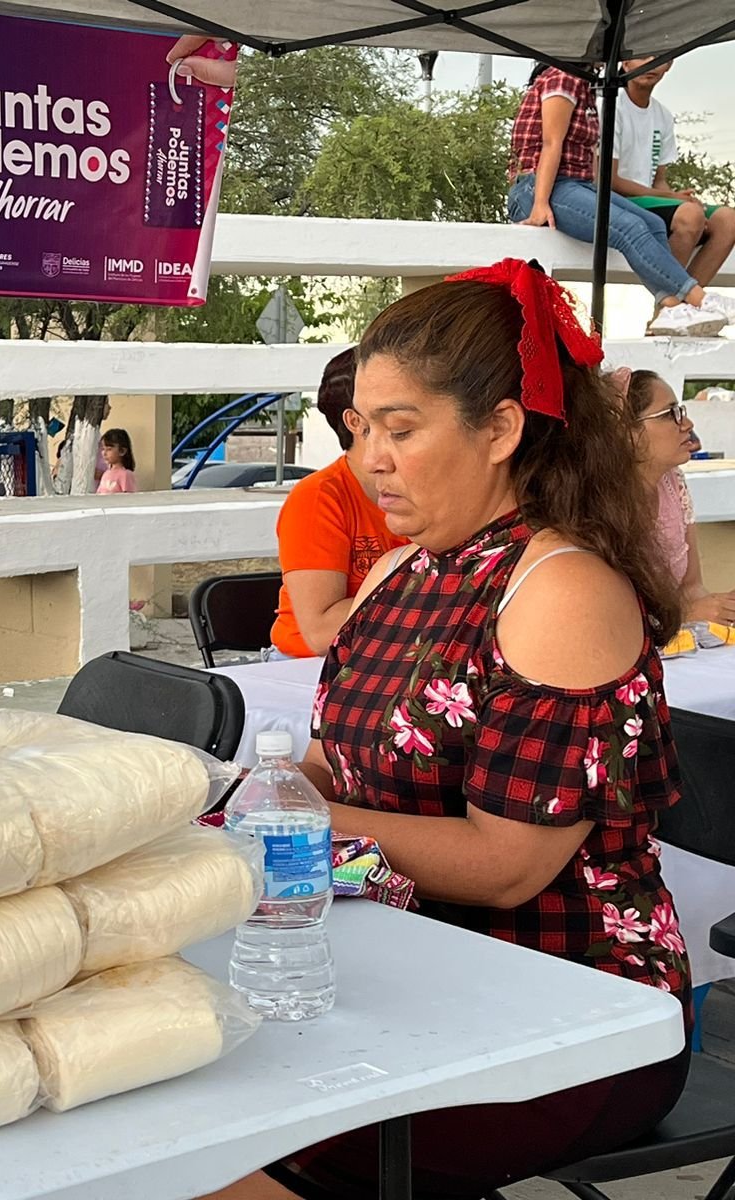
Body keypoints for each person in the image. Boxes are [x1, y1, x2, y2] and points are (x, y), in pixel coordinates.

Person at [201, 261, 690, 1200]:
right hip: (398, 967)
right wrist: (235, 799)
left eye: (401, 429)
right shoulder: (400, 575)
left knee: (207, 1145)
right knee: (153, 1070)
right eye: (358, 431)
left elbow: (505, 865)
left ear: (500, 429)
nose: (368, 461)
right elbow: (329, 766)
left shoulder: (561, 591)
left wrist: (288, 822)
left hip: (569, 1010)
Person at [509, 65, 732, 337]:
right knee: (629, 228)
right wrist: (540, 203)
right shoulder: (563, 77)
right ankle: (701, 300)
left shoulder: (587, 87)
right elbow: (551, 143)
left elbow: (587, 159)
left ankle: (671, 308)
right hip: (539, 186)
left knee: (652, 224)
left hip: (576, 185)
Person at [268, 350, 406, 658]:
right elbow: (320, 632)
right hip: (308, 665)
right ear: (355, 421)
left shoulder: (427, 486)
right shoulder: (318, 497)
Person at [611, 57, 735, 297]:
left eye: (658, 57)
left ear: (669, 65)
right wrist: (674, 199)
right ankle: (669, 304)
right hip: (618, 201)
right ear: (625, 62)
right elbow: (610, 181)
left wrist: (678, 198)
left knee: (727, 219)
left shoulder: (662, 115)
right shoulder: (610, 105)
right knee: (690, 215)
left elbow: (659, 180)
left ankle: (680, 310)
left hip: (647, 201)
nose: (650, 63)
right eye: (642, 56)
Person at [627, 368, 735, 624]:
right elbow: (607, 618)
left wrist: (723, 608)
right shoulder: (598, 507)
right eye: (669, 414)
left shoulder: (672, 484)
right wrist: (686, 614)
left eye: (681, 411)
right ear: (628, 431)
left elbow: (691, 588)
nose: (687, 424)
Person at [96, 428, 137, 494]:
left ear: (122, 451)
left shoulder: (126, 475)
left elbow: (130, 497)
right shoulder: (106, 474)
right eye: (103, 449)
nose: (104, 453)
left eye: (109, 449)